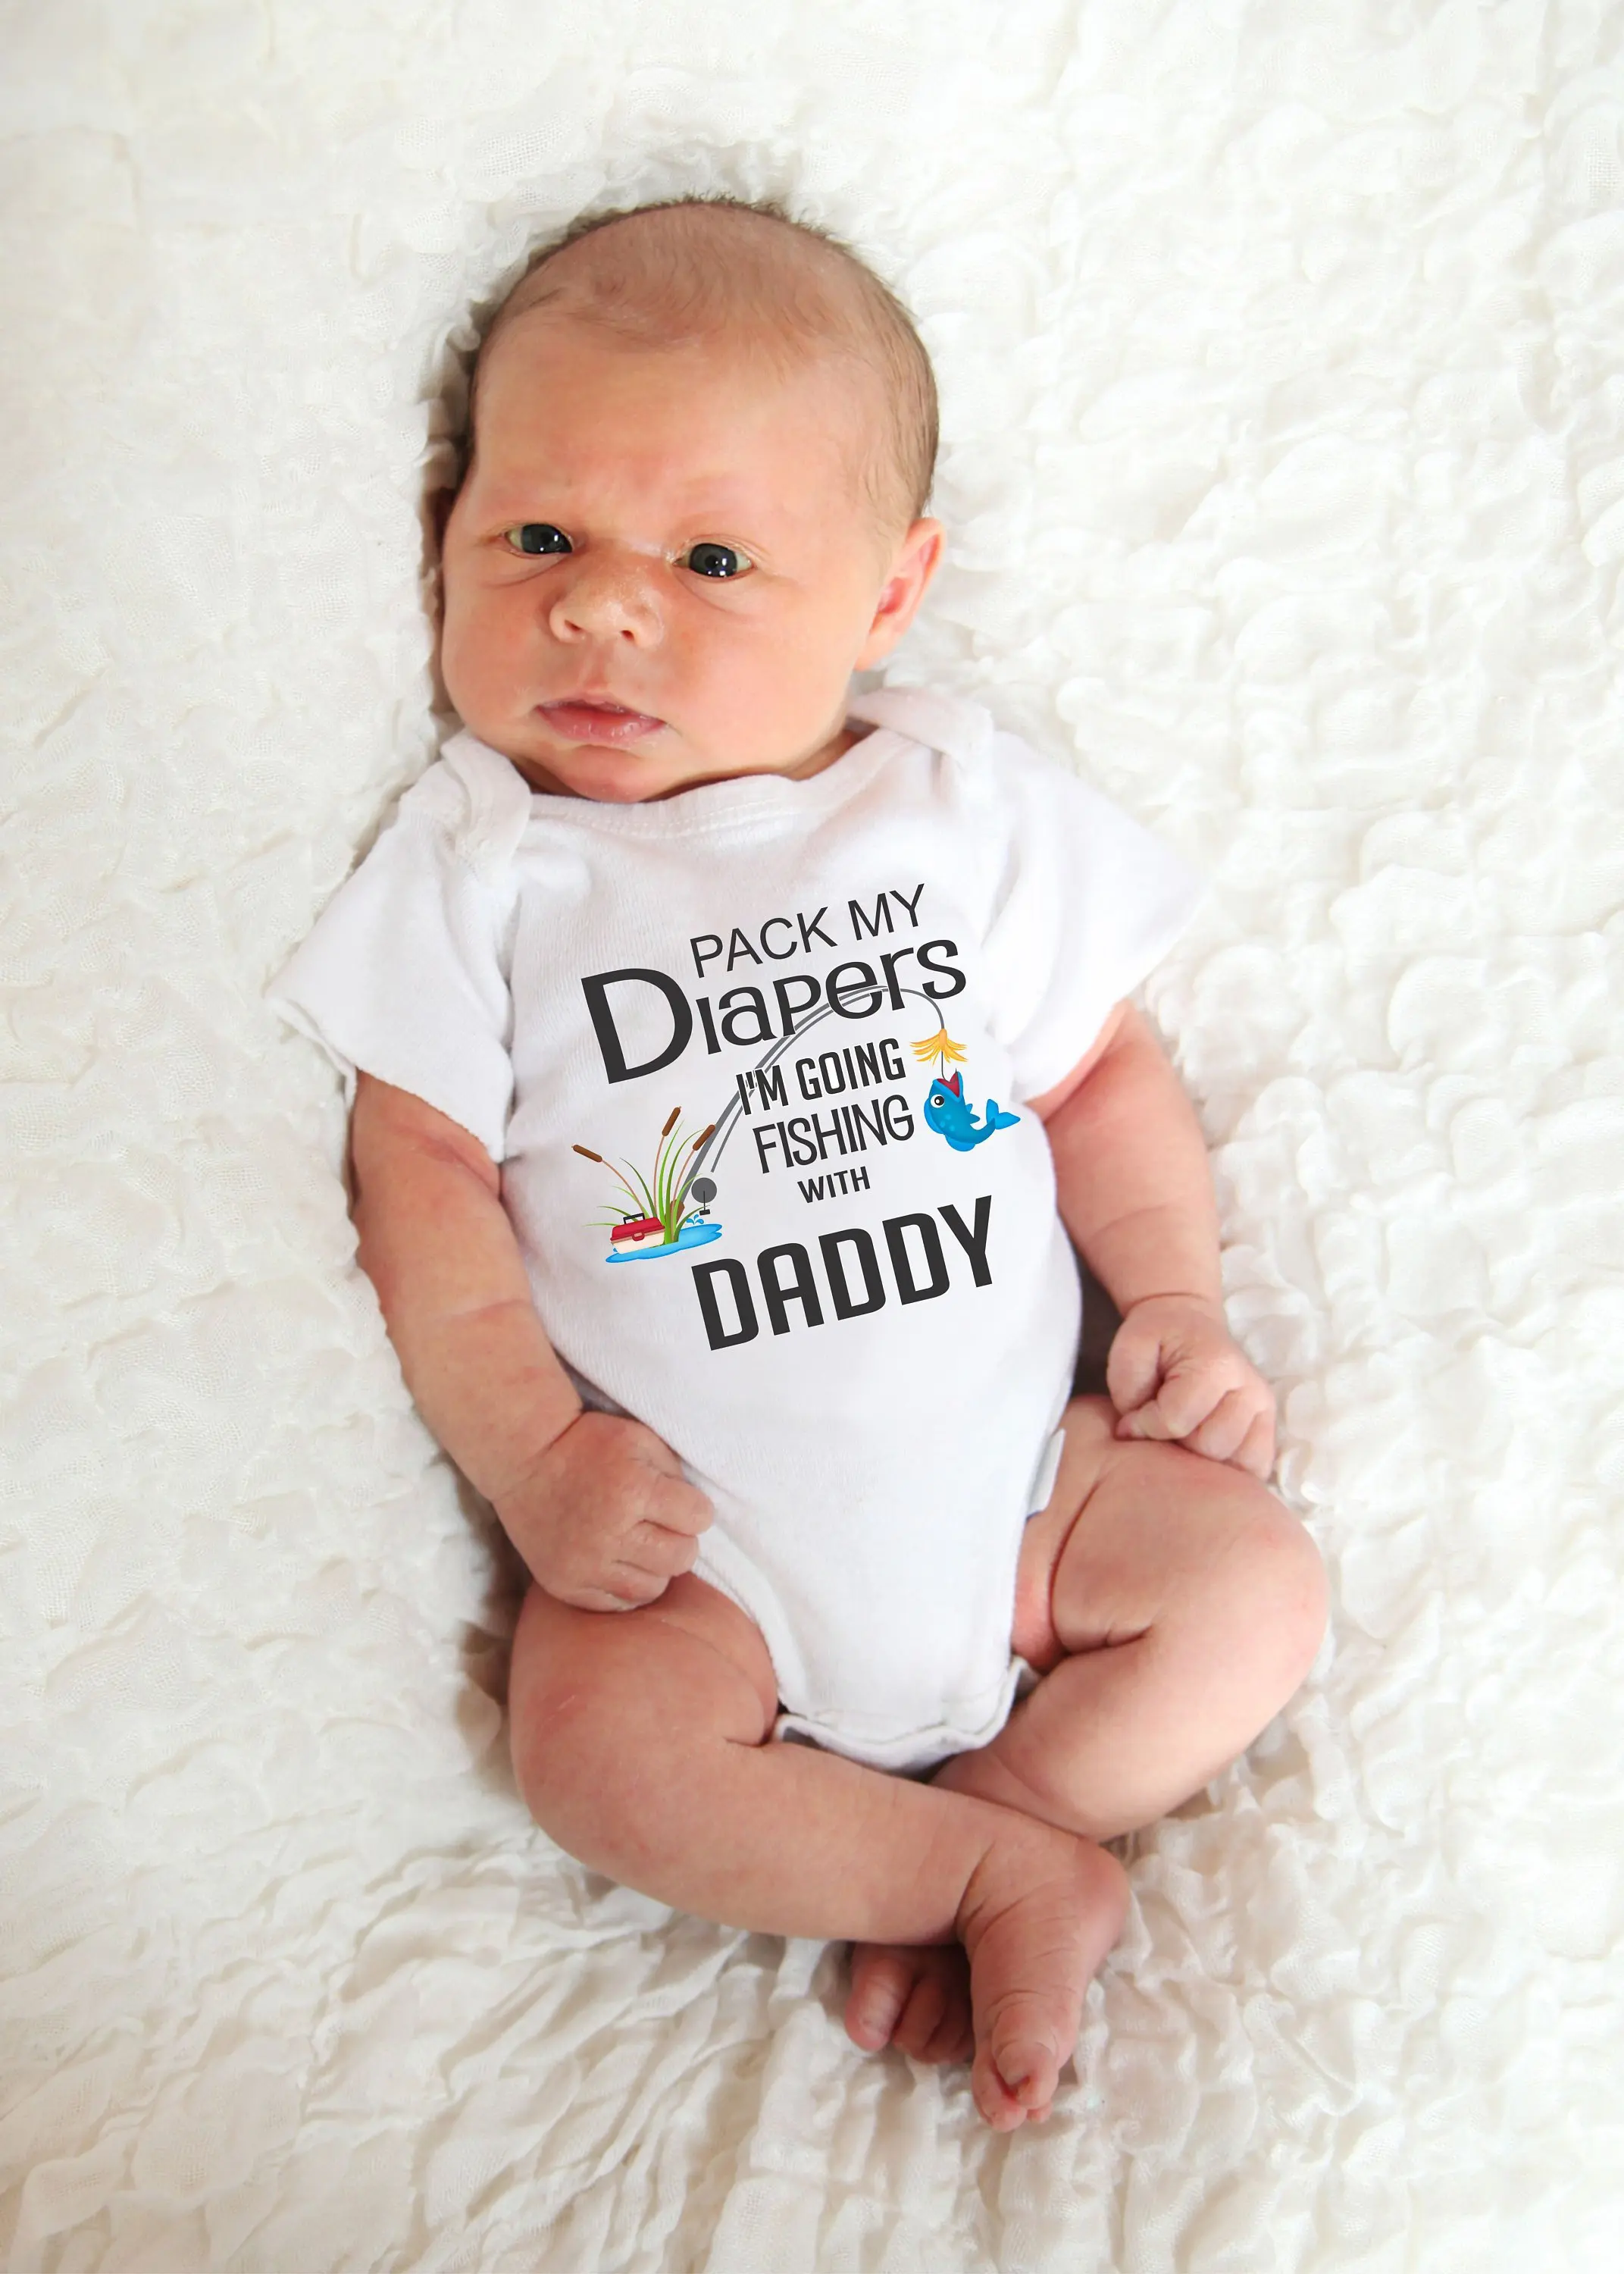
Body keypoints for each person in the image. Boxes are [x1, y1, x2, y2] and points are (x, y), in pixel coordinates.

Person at [270, 197, 1326, 2131]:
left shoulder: (947, 803)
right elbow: (416, 1181)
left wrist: (1174, 1296)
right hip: (707, 1565)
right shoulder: (487, 863)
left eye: (712, 558)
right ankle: (985, 1877)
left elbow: (1098, 1073)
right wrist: (536, 1457)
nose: (605, 609)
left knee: (1256, 1589)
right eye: (537, 539)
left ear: (890, 592)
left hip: (1032, 1501)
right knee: (590, 1757)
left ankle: (998, 1831)